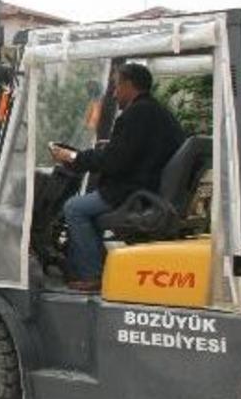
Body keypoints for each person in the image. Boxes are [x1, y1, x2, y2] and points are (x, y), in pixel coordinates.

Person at [51, 62, 185, 292]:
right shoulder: (160, 114)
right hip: (149, 185)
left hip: (132, 191)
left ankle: (91, 274)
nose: (114, 93)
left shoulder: (135, 114)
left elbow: (114, 162)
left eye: (115, 87)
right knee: (86, 211)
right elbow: (127, 152)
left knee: (73, 208)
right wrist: (97, 153)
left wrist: (73, 158)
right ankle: (98, 265)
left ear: (128, 85)